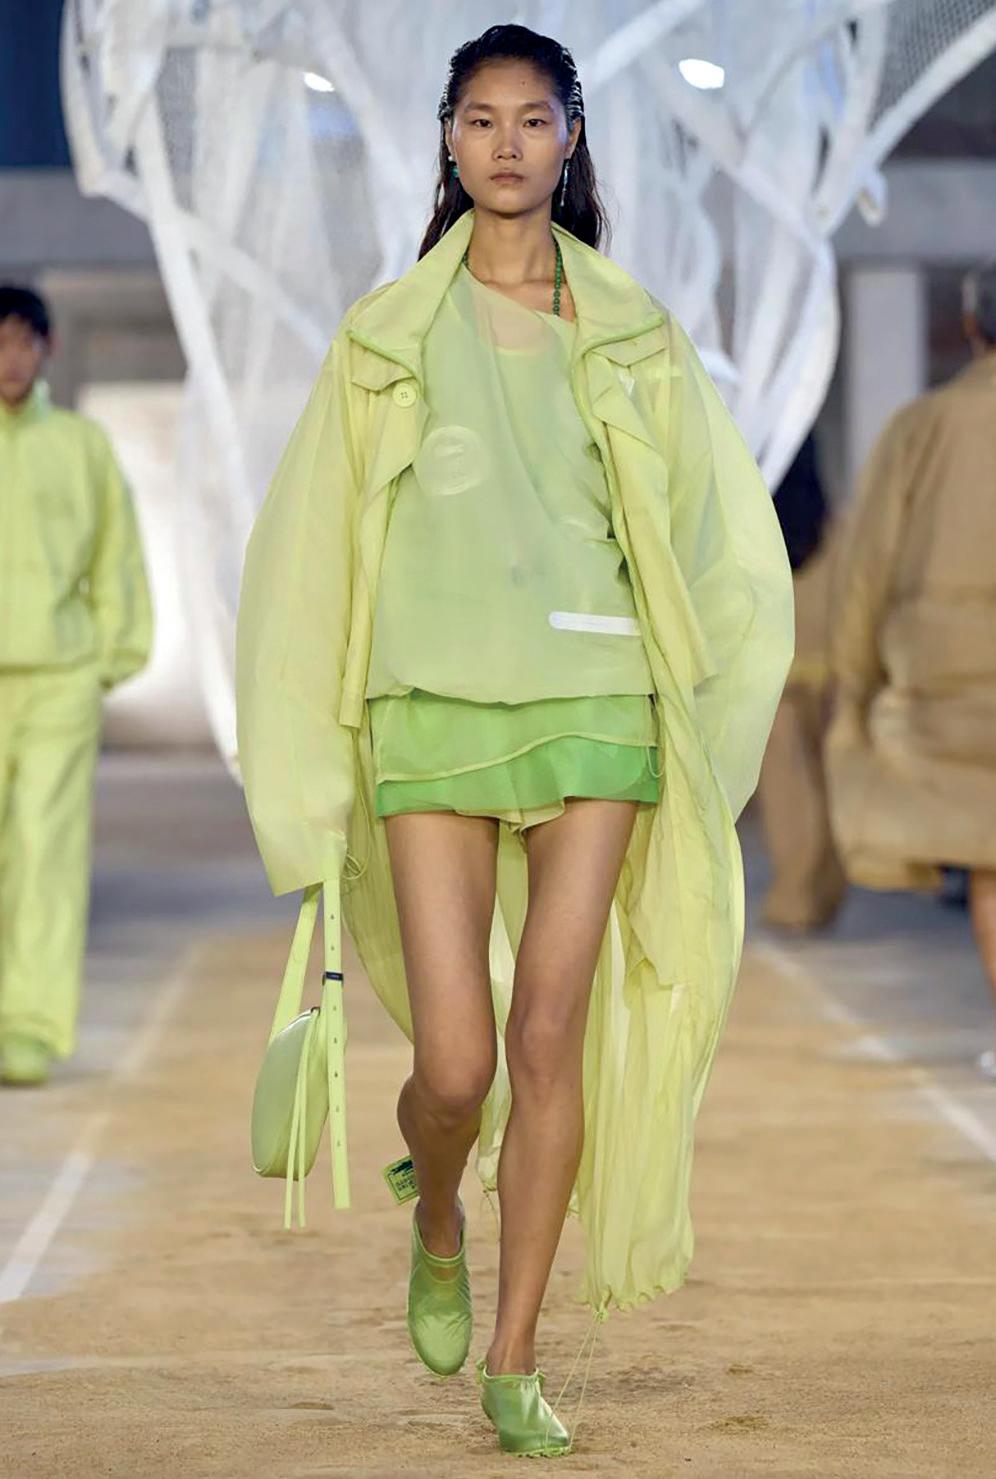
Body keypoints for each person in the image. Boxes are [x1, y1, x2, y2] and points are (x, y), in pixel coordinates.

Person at [236, 22, 793, 1458]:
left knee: (551, 1035)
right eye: (480, 119)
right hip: (428, 701)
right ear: (447, 138)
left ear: (570, 139)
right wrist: (306, 767)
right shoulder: (382, 341)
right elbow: (308, 561)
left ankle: (518, 1352)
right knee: (459, 1064)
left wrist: (694, 693)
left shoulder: (635, 335)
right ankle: (437, 1211)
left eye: (532, 120)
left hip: (596, 701)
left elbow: (708, 534)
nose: (505, 143)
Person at [826, 256, 996, 1077]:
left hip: (952, 682)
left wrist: (854, 687)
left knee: (991, 857)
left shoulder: (923, 427)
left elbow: (869, 568)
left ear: (971, 327)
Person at [0, 284, 153, 1087]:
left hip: (60, 677)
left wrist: (110, 656)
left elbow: (115, 553)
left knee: (46, 852)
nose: (11, 358)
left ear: (48, 350)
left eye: (25, 341)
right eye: (0, 342)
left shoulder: (81, 446)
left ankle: (27, 1027)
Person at [756, 435, 847, 932]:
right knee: (821, 765)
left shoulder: (754, 496)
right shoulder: (829, 520)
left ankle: (797, 895)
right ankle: (822, 889)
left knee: (786, 773)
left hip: (778, 641)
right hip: (821, 639)